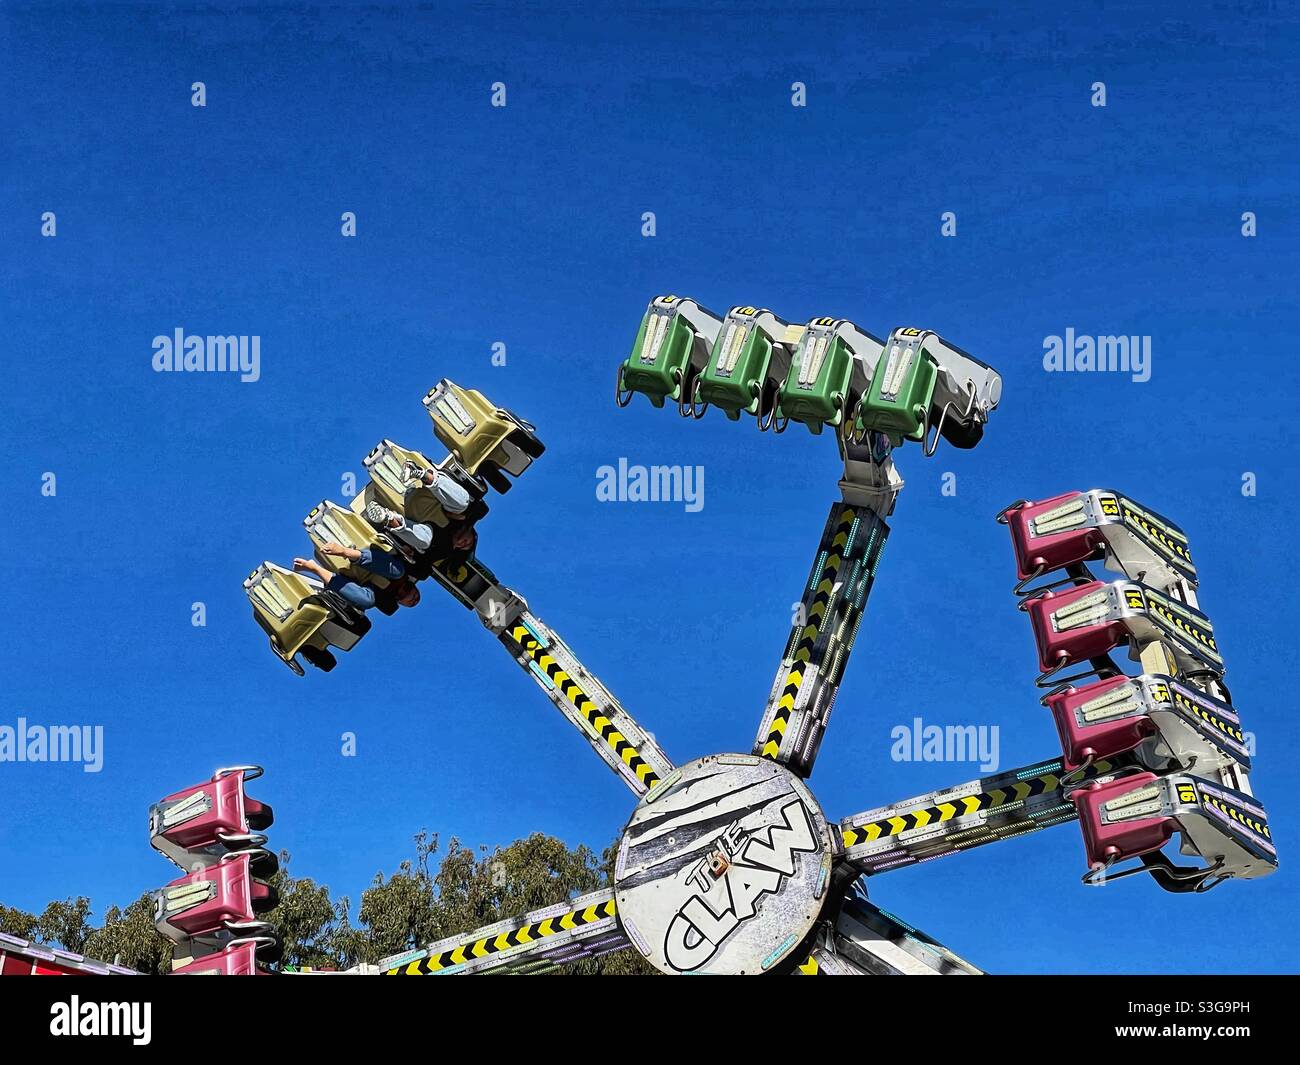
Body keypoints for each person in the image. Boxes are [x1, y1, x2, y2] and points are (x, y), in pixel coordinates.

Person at [293, 542, 420, 612]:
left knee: (367, 602)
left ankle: (313, 568)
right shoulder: (410, 574)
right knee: (398, 571)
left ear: (401, 602)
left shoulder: (386, 599)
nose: (413, 600)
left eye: (411, 603)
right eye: (416, 597)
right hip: (370, 557)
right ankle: (344, 551)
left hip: (358, 578)